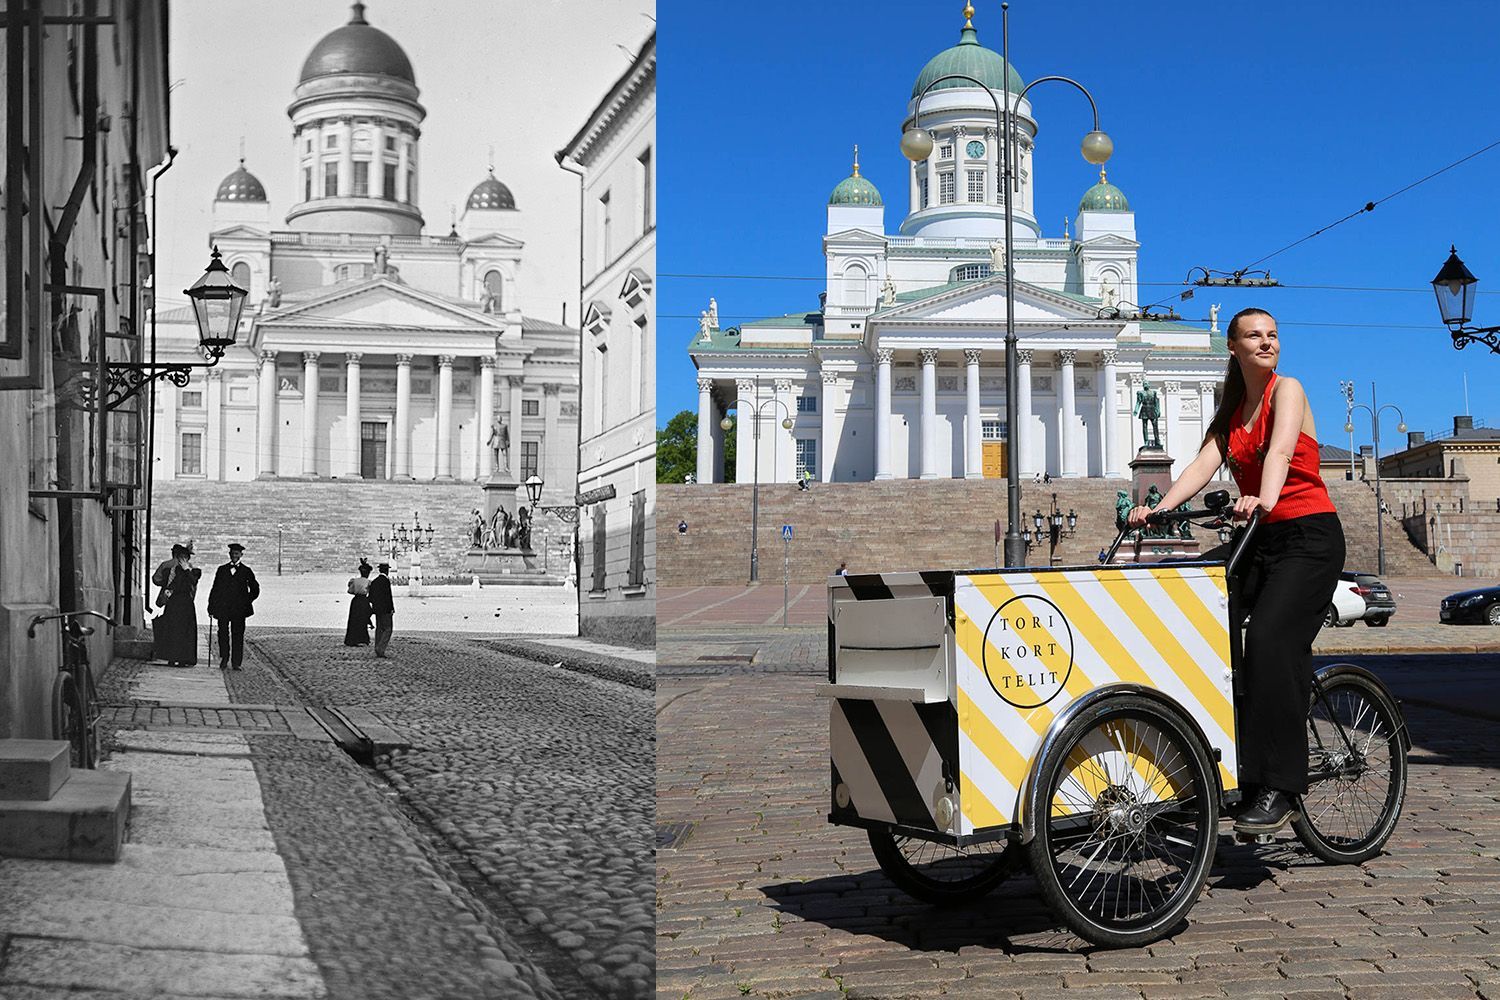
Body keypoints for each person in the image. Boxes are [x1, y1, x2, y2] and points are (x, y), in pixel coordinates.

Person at [1127, 307, 1343, 836]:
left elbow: (1282, 451)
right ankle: (1228, 769)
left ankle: (1281, 786)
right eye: (1255, 336)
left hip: (1308, 537)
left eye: (1273, 334)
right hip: (1259, 537)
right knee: (1198, 618)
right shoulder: (1232, 410)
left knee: (1269, 642)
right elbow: (1201, 466)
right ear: (1233, 347)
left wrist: (1263, 498)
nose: (1267, 343)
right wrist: (1159, 508)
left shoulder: (1285, 390)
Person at [207, 543, 260, 670]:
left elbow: (255, 589)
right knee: (222, 634)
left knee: (238, 635)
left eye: (236, 554)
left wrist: (247, 601)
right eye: (232, 553)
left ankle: (236, 662)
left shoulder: (246, 571)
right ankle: (224, 658)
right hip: (223, 608)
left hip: (239, 610)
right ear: (229, 554)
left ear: (241, 555)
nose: (234, 556)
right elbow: (215, 589)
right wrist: (211, 606)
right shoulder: (222, 570)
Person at [152, 543, 201, 668]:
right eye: (181, 557)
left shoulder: (193, 571)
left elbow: (193, 582)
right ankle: (172, 657)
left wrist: (187, 570)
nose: (183, 560)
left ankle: (184, 658)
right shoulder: (173, 570)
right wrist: (166, 595)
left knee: (185, 631)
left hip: (186, 603)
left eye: (185, 557)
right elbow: (169, 584)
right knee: (172, 630)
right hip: (174, 602)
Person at [368, 561, 395, 658]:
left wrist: (375, 606)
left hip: (377, 609)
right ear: (387, 571)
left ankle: (377, 648)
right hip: (386, 609)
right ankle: (381, 648)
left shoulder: (374, 581)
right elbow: (388, 597)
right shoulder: (386, 581)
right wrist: (391, 608)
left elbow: (370, 597)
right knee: (388, 629)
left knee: (379, 629)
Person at [344, 558, 374, 646]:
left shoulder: (354, 580)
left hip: (355, 601)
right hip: (364, 600)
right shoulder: (368, 582)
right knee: (363, 619)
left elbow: (350, 591)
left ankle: (352, 639)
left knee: (354, 619)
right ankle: (362, 638)